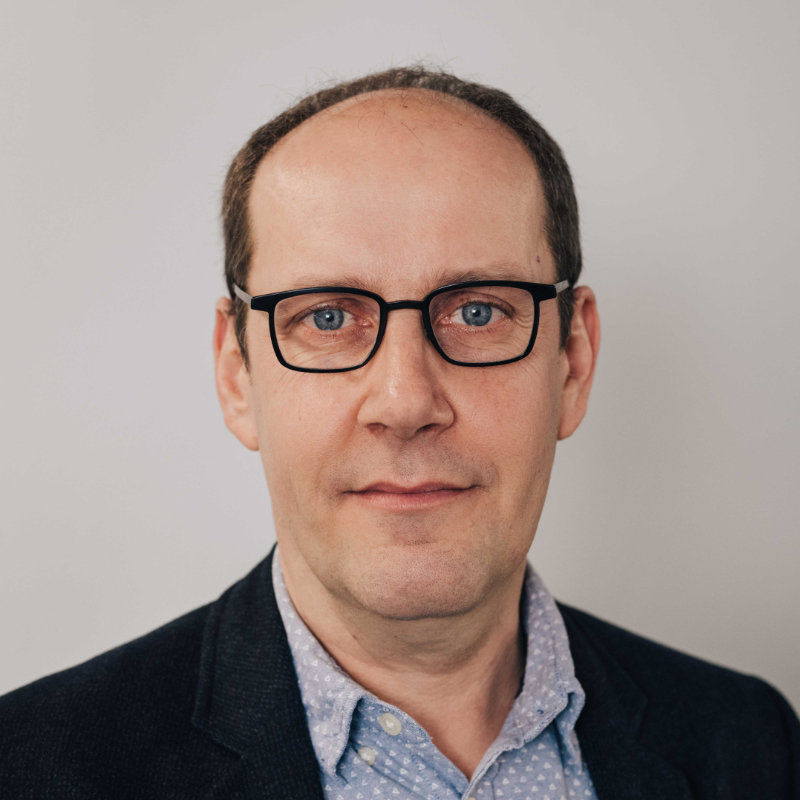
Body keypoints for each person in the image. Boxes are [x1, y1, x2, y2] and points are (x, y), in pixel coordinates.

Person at [0, 66, 797, 800]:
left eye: (478, 311)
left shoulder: (752, 744)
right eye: (329, 317)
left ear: (573, 363)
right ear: (238, 373)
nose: (406, 400)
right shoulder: (32, 767)